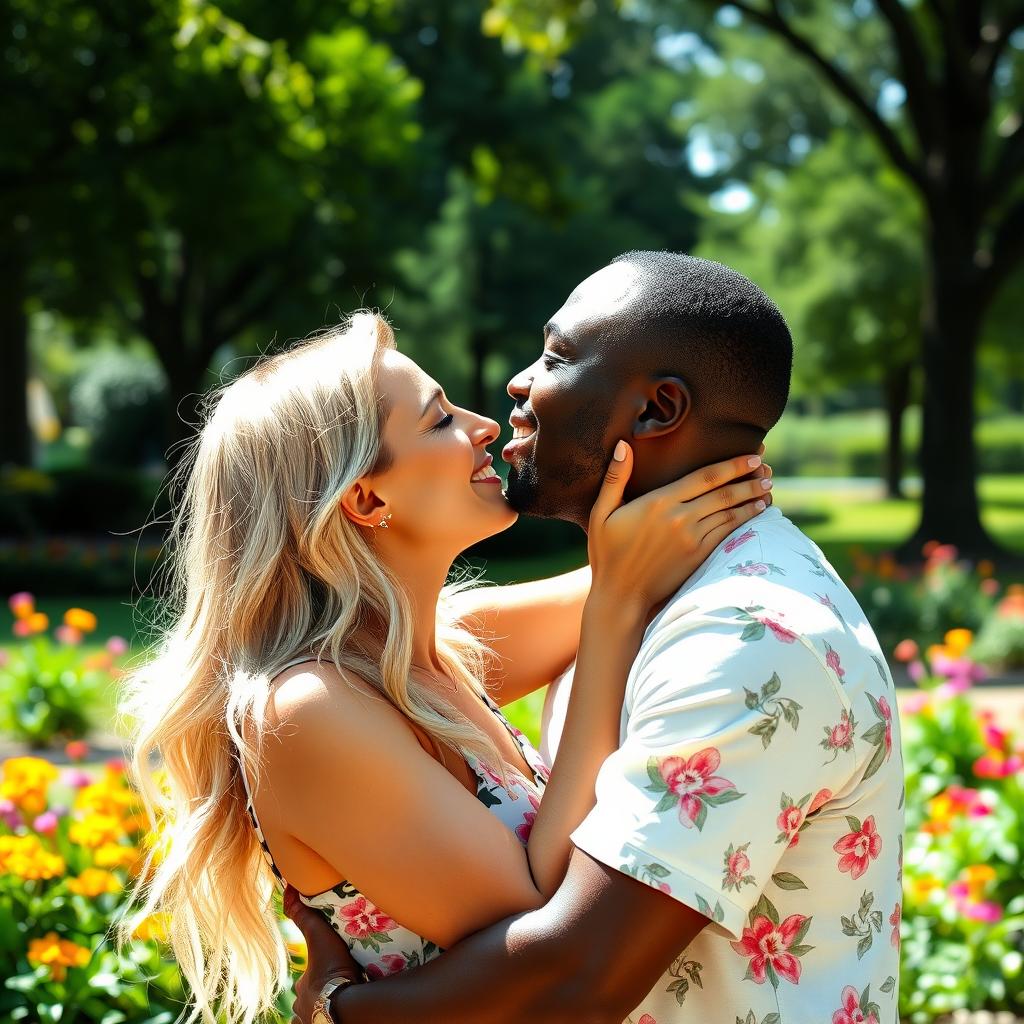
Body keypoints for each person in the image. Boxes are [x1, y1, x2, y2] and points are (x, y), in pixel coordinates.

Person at [285, 252, 905, 1024]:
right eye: (439, 418)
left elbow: (573, 983)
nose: (513, 388)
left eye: (557, 356)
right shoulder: (642, 594)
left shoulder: (746, 643)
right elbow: (371, 656)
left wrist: (340, 1009)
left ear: (656, 411)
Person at [117, 308, 771, 1024]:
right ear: (366, 498)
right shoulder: (306, 711)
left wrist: (689, 470)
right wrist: (616, 608)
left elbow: (643, 562)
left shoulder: (429, 653)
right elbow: (549, 938)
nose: (484, 425)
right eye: (438, 420)